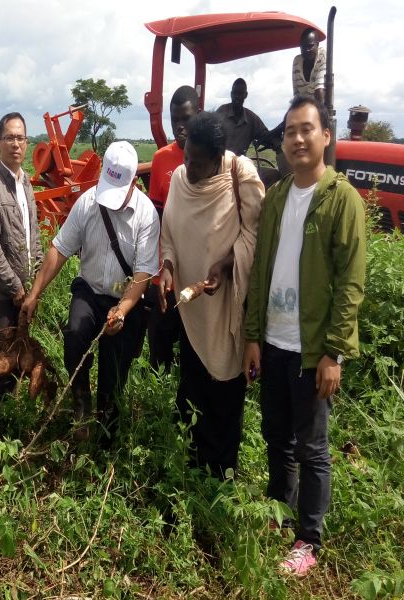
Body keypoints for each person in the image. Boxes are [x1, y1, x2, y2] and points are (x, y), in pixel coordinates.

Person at [243, 96, 365, 576]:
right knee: (276, 435)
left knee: (312, 446)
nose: (296, 138)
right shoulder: (276, 196)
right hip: (273, 340)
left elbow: (352, 282)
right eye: (290, 130)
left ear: (325, 136)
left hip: (313, 348)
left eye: (306, 130)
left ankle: (307, 539)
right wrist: (253, 334)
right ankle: (279, 508)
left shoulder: (342, 199)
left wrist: (333, 351)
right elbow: (260, 272)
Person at [21, 141, 159, 443]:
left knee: (114, 370)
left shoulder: (147, 215)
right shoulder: (87, 202)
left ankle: (107, 430)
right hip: (91, 291)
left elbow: (143, 274)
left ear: (133, 182)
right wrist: (35, 293)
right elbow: (59, 249)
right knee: (74, 336)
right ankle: (81, 400)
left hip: (125, 299)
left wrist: (121, 310)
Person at [158, 111, 264, 479]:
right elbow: (169, 231)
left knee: (224, 390)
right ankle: (193, 463)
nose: (189, 167)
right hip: (191, 307)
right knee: (193, 384)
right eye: (186, 157)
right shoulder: (179, 182)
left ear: (218, 158)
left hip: (225, 305)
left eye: (198, 163)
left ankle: (222, 472)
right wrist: (168, 267)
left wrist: (225, 265)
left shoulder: (240, 176)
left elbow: (254, 235)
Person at [0, 112, 43, 426]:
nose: (15, 144)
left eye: (21, 138)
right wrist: (16, 288)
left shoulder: (25, 182)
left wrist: (37, 283)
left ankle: (6, 429)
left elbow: (35, 235)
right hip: (2, 296)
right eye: (9, 137)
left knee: (17, 365)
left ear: (27, 144)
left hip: (26, 294)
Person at [145, 85, 200, 372]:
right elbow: (156, 212)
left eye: (186, 119)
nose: (179, 126)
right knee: (160, 344)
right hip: (166, 268)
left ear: (199, 115)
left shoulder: (211, 156)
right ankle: (158, 400)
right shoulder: (160, 159)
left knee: (195, 348)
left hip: (199, 269)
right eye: (174, 119)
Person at [215, 78, 272, 157]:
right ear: (231, 94)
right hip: (218, 162)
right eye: (235, 93)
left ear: (245, 95)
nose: (237, 97)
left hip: (239, 165)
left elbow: (266, 136)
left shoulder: (252, 119)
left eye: (240, 93)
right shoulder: (221, 112)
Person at [293, 29, 326, 103]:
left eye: (310, 46)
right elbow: (296, 95)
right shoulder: (297, 61)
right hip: (303, 107)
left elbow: (319, 90)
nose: (306, 50)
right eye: (303, 47)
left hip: (319, 106)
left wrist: (318, 114)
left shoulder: (322, 56)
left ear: (317, 44)